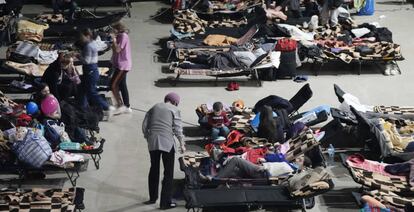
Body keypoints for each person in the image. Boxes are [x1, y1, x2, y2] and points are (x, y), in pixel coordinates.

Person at [142, 92, 186, 210]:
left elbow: (145, 125)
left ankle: (152, 198)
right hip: (167, 142)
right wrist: (182, 143)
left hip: (153, 142)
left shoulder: (154, 107)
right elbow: (178, 128)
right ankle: (165, 203)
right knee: (168, 173)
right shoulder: (174, 109)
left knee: (154, 169)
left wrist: (148, 138)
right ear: (175, 102)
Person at [77, 28, 114, 119]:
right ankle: (82, 108)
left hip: (90, 71)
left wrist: (78, 56)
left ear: (87, 36)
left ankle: (107, 107)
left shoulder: (89, 46)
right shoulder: (91, 44)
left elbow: (87, 61)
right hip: (91, 70)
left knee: (91, 92)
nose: (80, 39)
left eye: (82, 37)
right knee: (82, 90)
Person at [110, 22, 132, 114]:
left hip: (123, 65)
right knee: (122, 85)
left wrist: (114, 40)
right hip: (118, 64)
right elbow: (114, 50)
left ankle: (121, 105)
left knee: (113, 85)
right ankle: (126, 106)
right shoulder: (119, 36)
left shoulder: (123, 36)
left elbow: (118, 49)